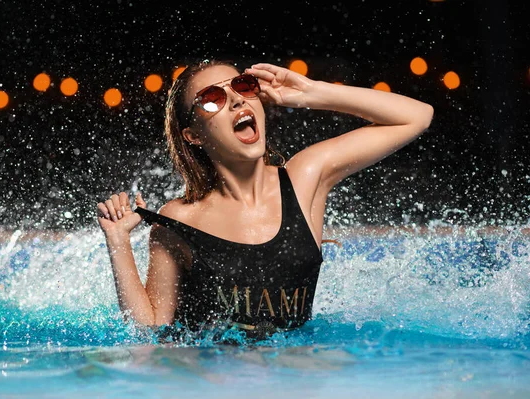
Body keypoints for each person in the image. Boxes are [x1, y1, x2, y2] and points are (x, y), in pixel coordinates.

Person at [96, 60, 434, 341]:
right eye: (213, 98)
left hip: (294, 378)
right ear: (194, 135)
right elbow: (151, 333)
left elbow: (417, 115)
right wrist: (118, 242)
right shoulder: (180, 220)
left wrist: (312, 92)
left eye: (242, 86)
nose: (237, 101)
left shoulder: (304, 179)